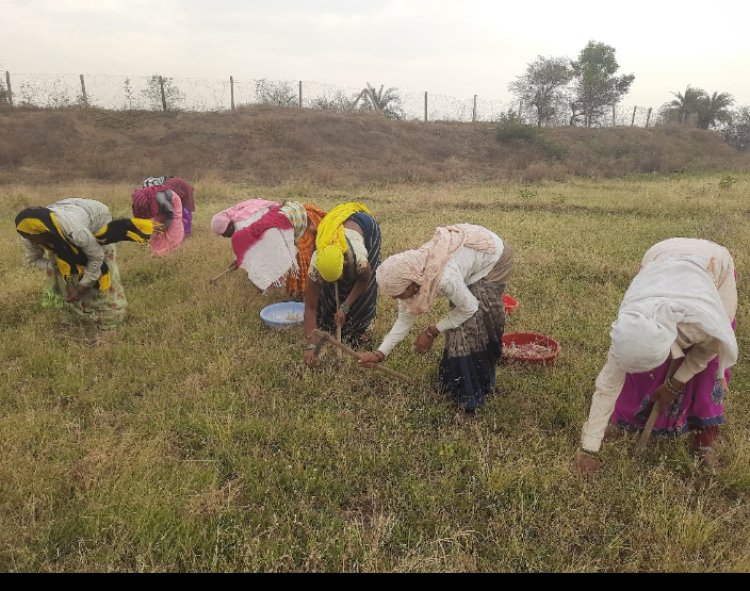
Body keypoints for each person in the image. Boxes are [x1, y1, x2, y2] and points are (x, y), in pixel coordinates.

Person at [575, 238, 738, 473]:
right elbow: (607, 386)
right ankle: (627, 423)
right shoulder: (629, 327)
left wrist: (675, 384)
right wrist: (589, 447)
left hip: (713, 264)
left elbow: (706, 351)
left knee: (708, 374)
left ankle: (704, 442)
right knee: (644, 376)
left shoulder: (704, 325)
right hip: (661, 254)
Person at [358, 223, 513, 412]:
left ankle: (473, 392)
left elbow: (470, 308)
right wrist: (380, 353)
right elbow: (404, 319)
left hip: (493, 257)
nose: (396, 299)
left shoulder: (443, 278)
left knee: (471, 328)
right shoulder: (410, 275)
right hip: (467, 257)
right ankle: (453, 383)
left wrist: (432, 331)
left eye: (399, 294)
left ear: (414, 285)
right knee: (458, 327)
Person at [15, 198, 153, 329]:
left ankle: (109, 321)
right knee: (61, 269)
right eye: (28, 238)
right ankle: (76, 314)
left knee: (104, 271)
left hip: (96, 217)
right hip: (67, 213)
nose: (33, 242)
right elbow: (33, 260)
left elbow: (96, 258)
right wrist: (56, 267)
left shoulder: (76, 233)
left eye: (35, 238)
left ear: (44, 231)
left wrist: (82, 287)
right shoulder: (29, 232)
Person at [303, 202, 381, 365]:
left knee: (364, 294)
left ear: (344, 264)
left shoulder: (359, 260)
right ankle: (331, 322)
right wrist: (311, 345)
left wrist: (345, 306)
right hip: (333, 228)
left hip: (363, 225)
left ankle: (361, 329)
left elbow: (364, 280)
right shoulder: (317, 263)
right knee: (329, 293)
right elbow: (310, 306)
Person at [212, 199, 326, 299]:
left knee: (300, 260)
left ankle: (307, 294)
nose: (223, 236)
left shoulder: (245, 224)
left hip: (294, 218)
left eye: (224, 233)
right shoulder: (237, 214)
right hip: (288, 211)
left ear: (230, 225)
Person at [131, 185, 184, 256]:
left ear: (148, 204)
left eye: (145, 209)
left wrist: (163, 227)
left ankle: (172, 253)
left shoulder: (160, 200)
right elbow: (139, 220)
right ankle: (157, 253)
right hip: (160, 207)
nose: (143, 211)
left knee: (172, 231)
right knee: (156, 231)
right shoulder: (138, 204)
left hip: (172, 206)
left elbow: (171, 213)